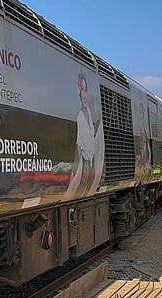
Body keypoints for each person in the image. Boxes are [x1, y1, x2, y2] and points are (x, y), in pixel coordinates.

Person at [63, 70, 96, 201]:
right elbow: (78, 147)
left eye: (86, 89)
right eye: (82, 89)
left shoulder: (89, 112)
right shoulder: (79, 117)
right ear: (79, 92)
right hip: (85, 164)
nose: (84, 94)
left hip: (91, 162)